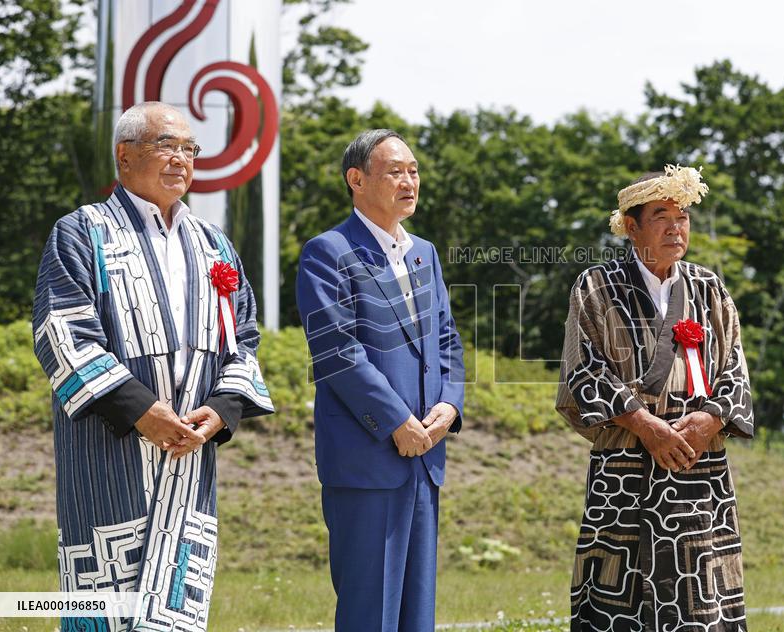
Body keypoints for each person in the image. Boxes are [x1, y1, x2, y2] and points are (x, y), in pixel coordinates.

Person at [32, 102, 274, 631]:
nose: (182, 159)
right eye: (167, 145)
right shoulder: (82, 232)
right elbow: (63, 333)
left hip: (191, 452)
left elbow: (245, 335)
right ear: (125, 155)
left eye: (190, 149)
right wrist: (142, 409)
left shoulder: (214, 245)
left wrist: (222, 407)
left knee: (178, 605)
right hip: (110, 451)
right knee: (104, 602)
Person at [556, 165, 754, 631]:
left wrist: (710, 420)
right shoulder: (595, 286)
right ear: (631, 226)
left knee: (701, 599)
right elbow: (582, 369)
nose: (675, 227)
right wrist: (645, 425)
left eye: (683, 216)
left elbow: (735, 368)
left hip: (697, 463)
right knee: (617, 599)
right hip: (624, 463)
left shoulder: (709, 289)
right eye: (661, 215)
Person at [295, 129, 465, 631]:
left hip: (426, 456)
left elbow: (448, 340)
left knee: (418, 614)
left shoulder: (424, 253)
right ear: (356, 179)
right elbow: (336, 351)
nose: (409, 180)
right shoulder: (327, 252)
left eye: (413, 170)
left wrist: (449, 408)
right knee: (370, 613)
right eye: (395, 171)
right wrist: (396, 422)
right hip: (367, 458)